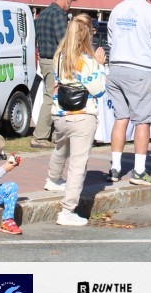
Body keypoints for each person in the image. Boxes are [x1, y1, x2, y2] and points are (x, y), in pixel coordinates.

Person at [106, 0, 151, 186]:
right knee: (143, 120)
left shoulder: (117, 10)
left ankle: (115, 167)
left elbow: (111, 40)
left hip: (116, 68)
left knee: (120, 118)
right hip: (140, 69)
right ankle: (139, 170)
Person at [45, 13, 107, 225]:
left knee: (61, 148)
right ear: (88, 34)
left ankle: (52, 179)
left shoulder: (59, 56)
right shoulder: (87, 61)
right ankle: (67, 210)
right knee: (78, 164)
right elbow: (98, 89)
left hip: (60, 112)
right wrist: (100, 65)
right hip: (82, 115)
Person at [32, 0, 76, 149]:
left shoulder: (43, 13)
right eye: (71, 1)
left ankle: (47, 134)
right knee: (51, 98)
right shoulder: (58, 14)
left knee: (49, 96)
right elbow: (62, 40)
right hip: (54, 60)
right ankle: (40, 136)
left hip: (44, 59)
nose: (70, 5)